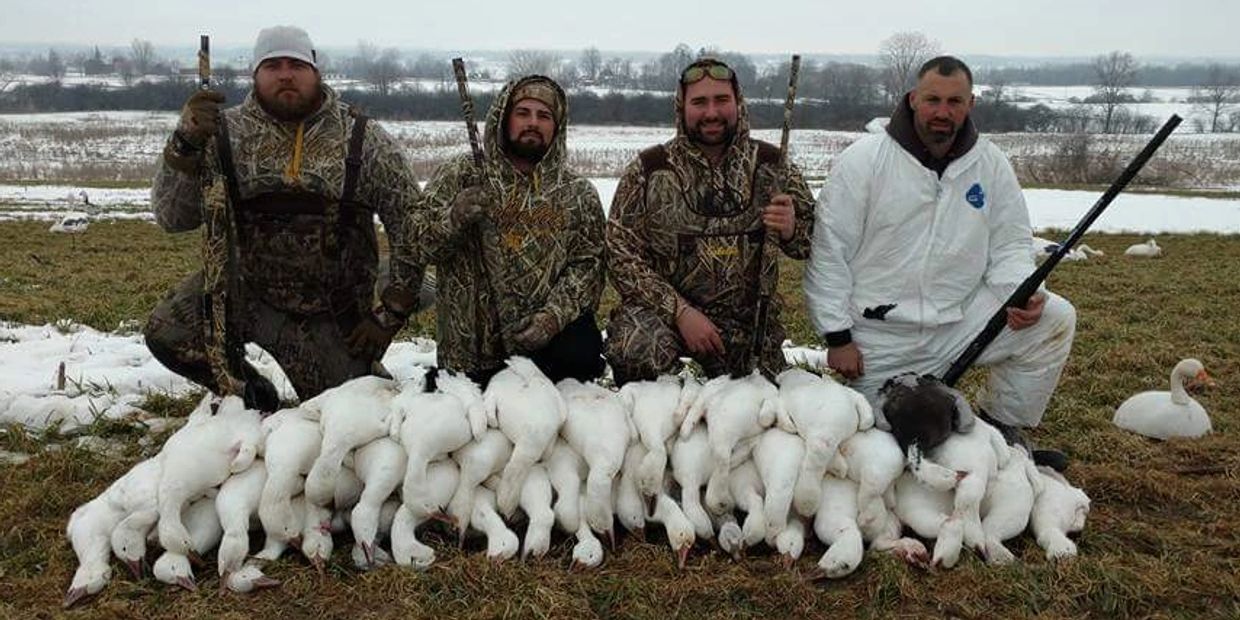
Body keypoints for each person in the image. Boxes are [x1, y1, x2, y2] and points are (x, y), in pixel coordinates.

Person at [803, 55, 1076, 469]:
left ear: (971, 103)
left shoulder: (990, 165)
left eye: (954, 101)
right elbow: (829, 251)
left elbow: (1010, 243)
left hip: (955, 325)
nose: (942, 112)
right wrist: (838, 337)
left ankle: (1001, 426)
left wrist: (1022, 293)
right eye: (932, 100)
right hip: (877, 342)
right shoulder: (864, 161)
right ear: (912, 99)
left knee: (1054, 317)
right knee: (885, 453)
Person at [145, 25, 429, 410]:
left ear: (315, 71)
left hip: (328, 312)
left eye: (296, 64)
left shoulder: (363, 138)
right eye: (272, 65)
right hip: (245, 294)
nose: (285, 74)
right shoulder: (222, 133)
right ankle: (250, 396)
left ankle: (360, 371)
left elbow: (411, 227)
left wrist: (389, 313)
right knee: (169, 333)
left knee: (353, 414)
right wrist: (185, 143)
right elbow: (171, 217)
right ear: (255, 75)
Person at [605, 58, 815, 384]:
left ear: (738, 103)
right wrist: (681, 312)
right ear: (682, 107)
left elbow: (813, 242)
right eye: (699, 102)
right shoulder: (649, 169)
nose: (712, 113)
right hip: (665, 315)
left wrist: (790, 230)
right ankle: (659, 422)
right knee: (636, 352)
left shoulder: (772, 165)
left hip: (746, 320)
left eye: (721, 100)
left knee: (758, 397)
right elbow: (620, 256)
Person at [413, 74, 606, 386]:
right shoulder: (461, 174)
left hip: (546, 350)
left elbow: (589, 266)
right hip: (470, 354)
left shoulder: (577, 193)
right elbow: (417, 245)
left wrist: (551, 319)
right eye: (523, 113)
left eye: (544, 116)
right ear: (503, 117)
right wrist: (454, 217)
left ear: (558, 126)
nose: (533, 123)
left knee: (581, 351)